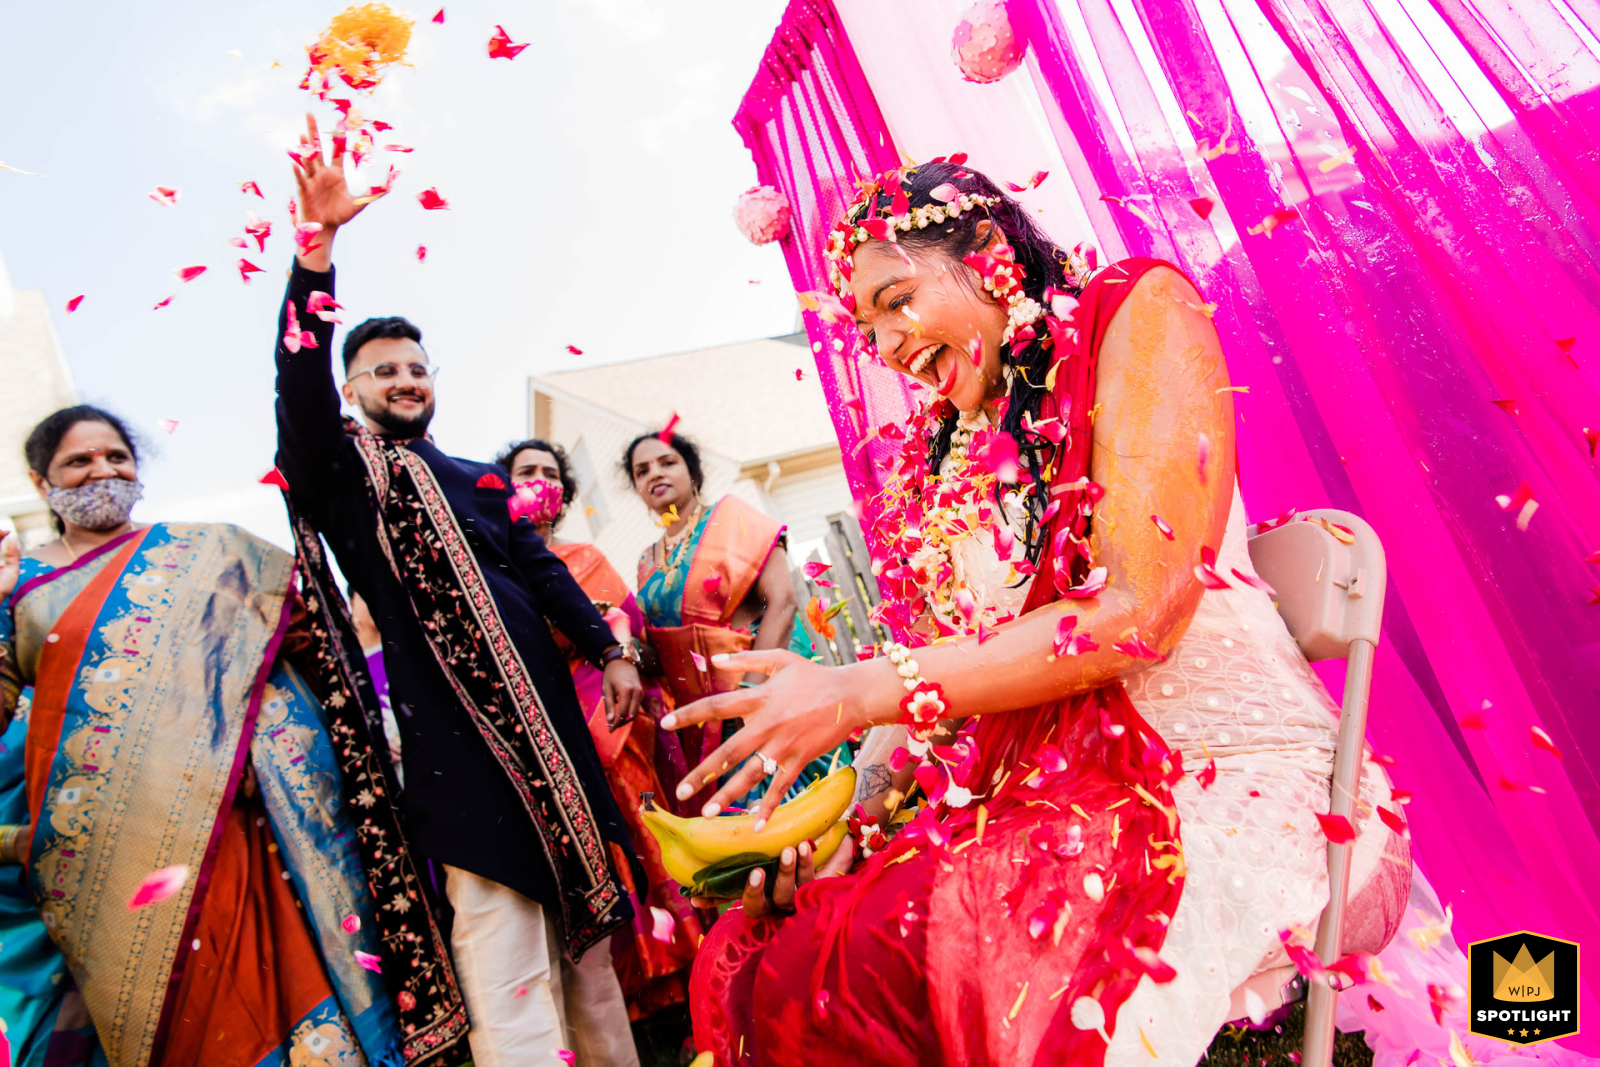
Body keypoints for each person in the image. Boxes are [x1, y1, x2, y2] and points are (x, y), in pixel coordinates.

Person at [661, 162, 1413, 1065]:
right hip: (1051, 799)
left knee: (904, 945)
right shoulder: (944, 459)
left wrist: (861, 689)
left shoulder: (1134, 310)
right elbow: (946, 685)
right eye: (869, 329)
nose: (890, 345)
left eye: (897, 301)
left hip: (1231, 780)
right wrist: (849, 824)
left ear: (985, 253)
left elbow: (1137, 613)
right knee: (771, 957)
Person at [275, 114, 644, 1067]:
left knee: (592, 960)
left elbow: (543, 571)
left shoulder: (482, 477)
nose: (402, 379)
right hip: (461, 757)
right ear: (351, 388)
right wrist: (316, 256)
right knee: (507, 962)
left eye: (413, 367)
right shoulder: (348, 479)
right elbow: (297, 395)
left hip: (553, 742)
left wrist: (611, 650)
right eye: (379, 370)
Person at [0, 406, 413, 1067]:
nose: (103, 469)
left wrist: (253, 745)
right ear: (39, 480)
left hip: (244, 817)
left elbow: (300, 653)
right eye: (79, 461)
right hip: (112, 851)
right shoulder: (19, 584)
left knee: (281, 974)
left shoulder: (214, 554)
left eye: (117, 456)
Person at [497, 440, 703, 1032]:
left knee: (643, 827)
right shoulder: (493, 569)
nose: (538, 481)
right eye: (524, 473)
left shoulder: (582, 555)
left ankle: (683, 963)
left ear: (564, 492)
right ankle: (632, 988)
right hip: (545, 734)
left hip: (612, 722)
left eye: (549, 473)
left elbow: (623, 632)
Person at [624, 431, 848, 807]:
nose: (654, 474)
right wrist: (617, 649)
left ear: (692, 472)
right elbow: (662, 651)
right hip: (699, 722)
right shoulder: (647, 563)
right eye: (641, 470)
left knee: (799, 810)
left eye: (667, 462)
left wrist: (752, 696)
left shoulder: (731, 520)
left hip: (758, 693)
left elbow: (784, 601)